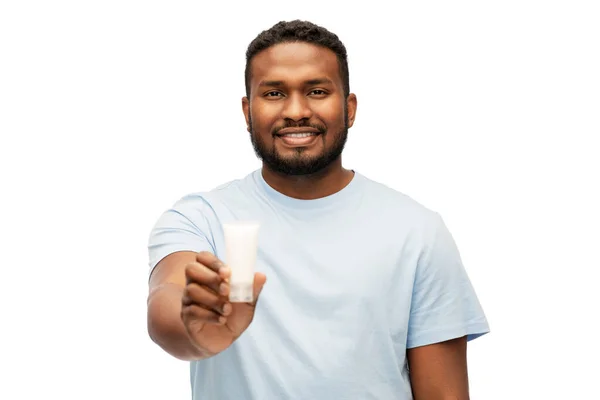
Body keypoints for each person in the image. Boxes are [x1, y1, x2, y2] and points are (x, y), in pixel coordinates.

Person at [146, 19, 490, 400]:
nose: (296, 110)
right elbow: (166, 303)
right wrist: (195, 332)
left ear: (349, 107)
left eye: (317, 90)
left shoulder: (417, 231)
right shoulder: (201, 218)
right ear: (247, 111)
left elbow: (444, 394)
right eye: (274, 93)